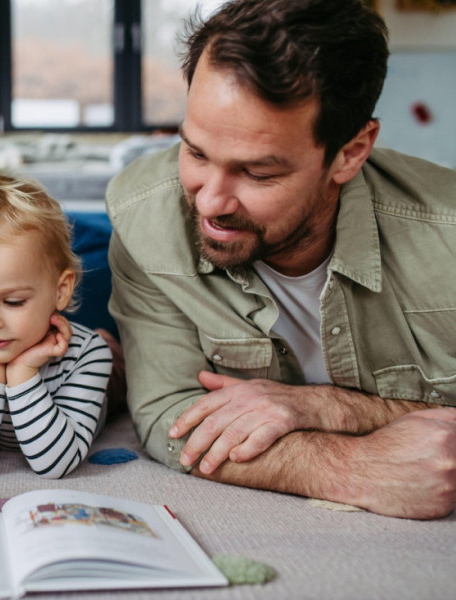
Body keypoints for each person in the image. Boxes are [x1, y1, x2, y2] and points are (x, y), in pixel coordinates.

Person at [107, 0, 456, 519]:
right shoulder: (145, 219)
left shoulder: (444, 239)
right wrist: (352, 466)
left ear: (351, 153)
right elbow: (167, 415)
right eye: (196, 153)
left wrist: (323, 405)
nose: (209, 202)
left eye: (257, 174)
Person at [0, 176, 113, 478]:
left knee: (118, 364)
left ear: (60, 291)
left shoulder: (88, 355)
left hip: (104, 378)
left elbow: (55, 464)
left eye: (13, 302)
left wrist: (23, 374)